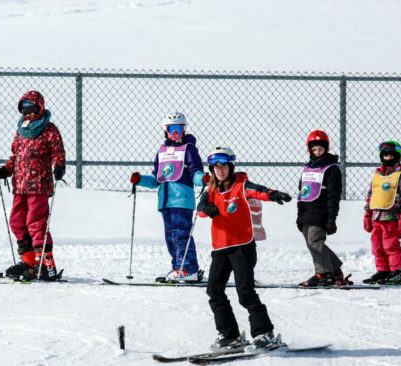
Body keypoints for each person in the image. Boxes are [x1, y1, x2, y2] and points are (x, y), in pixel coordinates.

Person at [197, 147, 291, 350]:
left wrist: (272, 194)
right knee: (214, 291)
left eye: (223, 165)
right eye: (215, 167)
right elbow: (199, 209)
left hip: (242, 247)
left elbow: (258, 191)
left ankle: (264, 333)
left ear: (231, 166)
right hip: (220, 249)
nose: (219, 170)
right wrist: (206, 208)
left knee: (245, 292)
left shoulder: (240, 185)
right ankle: (229, 335)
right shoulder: (211, 190)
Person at [0, 91, 66, 281]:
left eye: (32, 109)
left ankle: (45, 265)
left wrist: (59, 166)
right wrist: (5, 170)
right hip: (20, 185)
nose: (28, 114)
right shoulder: (21, 130)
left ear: (40, 108)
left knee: (36, 223)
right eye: (24, 110)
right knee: (17, 221)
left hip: (39, 185)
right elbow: (16, 158)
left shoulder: (49, 130)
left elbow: (58, 152)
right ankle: (29, 261)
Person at [130, 111, 206, 283]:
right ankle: (179, 267)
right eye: (171, 128)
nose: (175, 133)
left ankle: (188, 269)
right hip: (166, 202)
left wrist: (203, 179)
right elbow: (157, 178)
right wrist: (140, 179)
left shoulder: (189, 150)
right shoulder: (162, 151)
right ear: (165, 130)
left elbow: (195, 172)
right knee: (171, 239)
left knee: (181, 236)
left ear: (184, 129)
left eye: (179, 128)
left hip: (182, 201)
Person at [296, 130, 347, 286]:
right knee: (313, 242)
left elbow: (334, 196)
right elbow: (302, 191)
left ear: (326, 148)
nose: (317, 152)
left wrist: (331, 218)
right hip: (307, 212)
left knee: (315, 241)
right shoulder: (308, 168)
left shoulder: (331, 169)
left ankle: (323, 273)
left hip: (321, 212)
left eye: (320, 149)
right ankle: (336, 270)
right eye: (314, 149)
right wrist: (300, 215)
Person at [362, 140, 401, 285]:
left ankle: (400, 271)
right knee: (377, 245)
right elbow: (370, 196)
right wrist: (367, 215)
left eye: (391, 156)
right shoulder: (377, 175)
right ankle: (384, 270)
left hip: (392, 217)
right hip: (376, 217)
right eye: (385, 156)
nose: (387, 159)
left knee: (390, 245)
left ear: (397, 157)